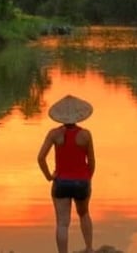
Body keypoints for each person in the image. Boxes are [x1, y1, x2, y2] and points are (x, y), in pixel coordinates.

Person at [37, 94, 96, 253]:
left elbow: (41, 158)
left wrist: (49, 176)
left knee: (62, 223)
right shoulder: (85, 135)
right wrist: (87, 180)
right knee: (84, 214)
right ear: (78, 116)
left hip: (61, 182)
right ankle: (89, 248)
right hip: (81, 182)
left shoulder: (54, 134)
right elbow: (91, 163)